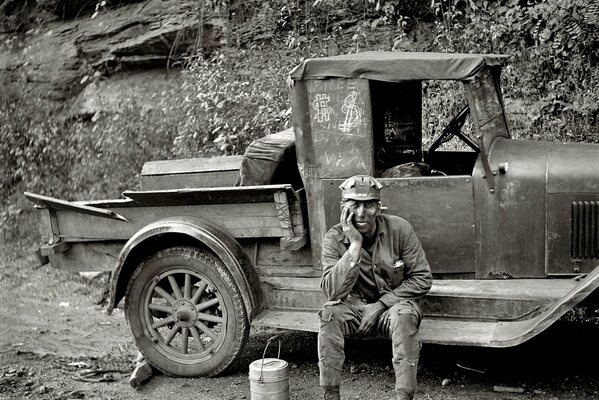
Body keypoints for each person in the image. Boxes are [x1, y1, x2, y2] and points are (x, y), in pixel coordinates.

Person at [318, 175, 433, 400]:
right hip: (354, 308)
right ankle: (330, 395)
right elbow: (332, 292)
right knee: (329, 314)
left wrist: (381, 305)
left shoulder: (400, 229)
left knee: (404, 315)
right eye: (354, 205)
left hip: (393, 308)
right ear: (343, 208)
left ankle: (404, 396)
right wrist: (355, 245)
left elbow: (422, 278)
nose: (361, 213)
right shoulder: (333, 238)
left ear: (378, 207)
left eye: (369, 205)